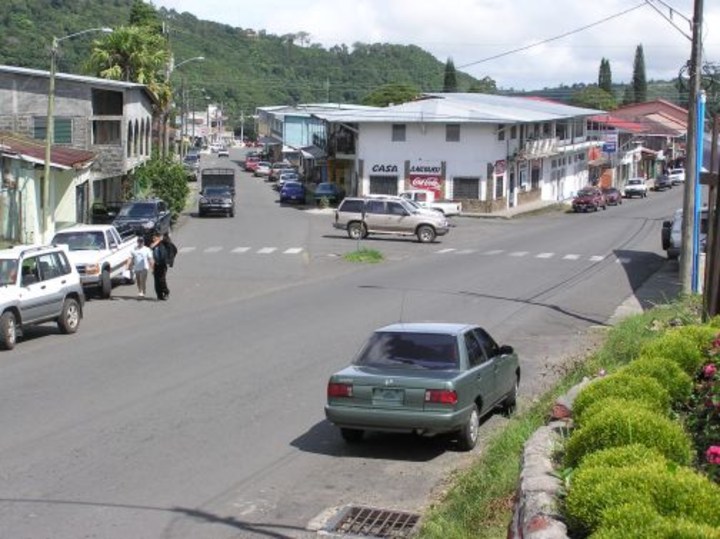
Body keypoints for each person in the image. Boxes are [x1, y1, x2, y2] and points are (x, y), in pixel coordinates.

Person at [150, 233, 170, 300]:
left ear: (158, 238)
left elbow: (167, 241)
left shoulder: (163, 244)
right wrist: (152, 268)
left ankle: (166, 292)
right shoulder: (153, 246)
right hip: (156, 265)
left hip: (162, 264)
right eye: (153, 238)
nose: (153, 239)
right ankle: (159, 295)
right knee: (156, 281)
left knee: (162, 280)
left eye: (154, 238)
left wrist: (160, 239)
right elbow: (151, 248)